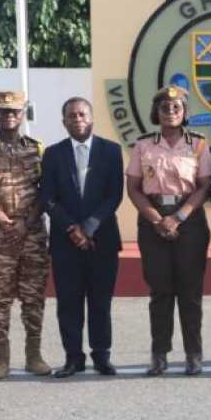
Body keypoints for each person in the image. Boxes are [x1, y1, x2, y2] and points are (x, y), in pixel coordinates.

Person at [123, 87, 210, 376]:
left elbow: (204, 187)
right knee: (160, 291)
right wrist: (156, 219)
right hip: (153, 221)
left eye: (176, 107)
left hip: (190, 222)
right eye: (164, 107)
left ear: (185, 112)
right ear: (156, 112)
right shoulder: (143, 145)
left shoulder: (198, 145)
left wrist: (179, 218)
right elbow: (133, 188)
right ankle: (159, 354)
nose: (170, 111)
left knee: (190, 292)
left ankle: (193, 353)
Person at [0, 91, 52, 379]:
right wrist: (4, 221)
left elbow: (46, 190)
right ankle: (0, 358)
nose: (9, 116)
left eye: (14, 111)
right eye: (4, 111)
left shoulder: (37, 148)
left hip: (32, 235)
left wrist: (26, 222)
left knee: (33, 296)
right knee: (0, 298)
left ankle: (34, 355)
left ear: (23, 113)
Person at [43, 97, 125, 379]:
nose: (77, 119)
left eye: (82, 114)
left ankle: (102, 356)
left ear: (91, 118)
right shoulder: (52, 154)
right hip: (65, 242)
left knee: (100, 302)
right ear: (63, 121)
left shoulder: (111, 151)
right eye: (71, 115)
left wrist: (88, 227)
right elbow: (48, 199)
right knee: (69, 302)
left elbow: (114, 195)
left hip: (102, 240)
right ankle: (73, 358)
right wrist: (72, 229)